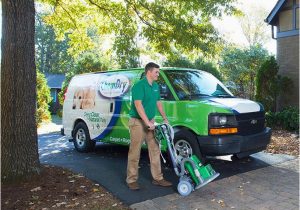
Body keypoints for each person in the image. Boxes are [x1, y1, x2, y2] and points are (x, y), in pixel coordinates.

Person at [126, 62, 172, 190]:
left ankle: (158, 178)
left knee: (155, 150)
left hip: (150, 122)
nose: (158, 74)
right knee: (135, 152)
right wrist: (147, 123)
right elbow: (138, 106)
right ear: (149, 72)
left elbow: (158, 103)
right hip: (138, 122)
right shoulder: (139, 86)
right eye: (156, 72)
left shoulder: (155, 86)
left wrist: (165, 118)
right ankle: (131, 180)